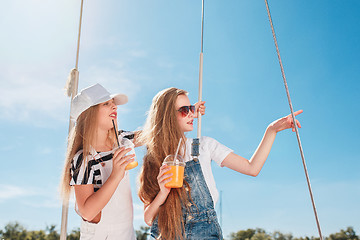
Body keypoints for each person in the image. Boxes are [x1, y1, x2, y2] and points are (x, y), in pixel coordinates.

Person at [138, 87, 302, 240]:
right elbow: (148, 218)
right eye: (184, 110)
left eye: (192, 109)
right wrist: (163, 192)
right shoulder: (153, 159)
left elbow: (252, 168)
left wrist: (271, 130)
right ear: (167, 116)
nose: (191, 114)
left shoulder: (204, 145)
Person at [60, 83, 138, 239]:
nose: (114, 107)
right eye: (106, 104)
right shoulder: (83, 159)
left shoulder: (121, 140)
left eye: (113, 103)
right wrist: (116, 175)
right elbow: (88, 212)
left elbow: (155, 134)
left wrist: (188, 112)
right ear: (88, 114)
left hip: (127, 233)